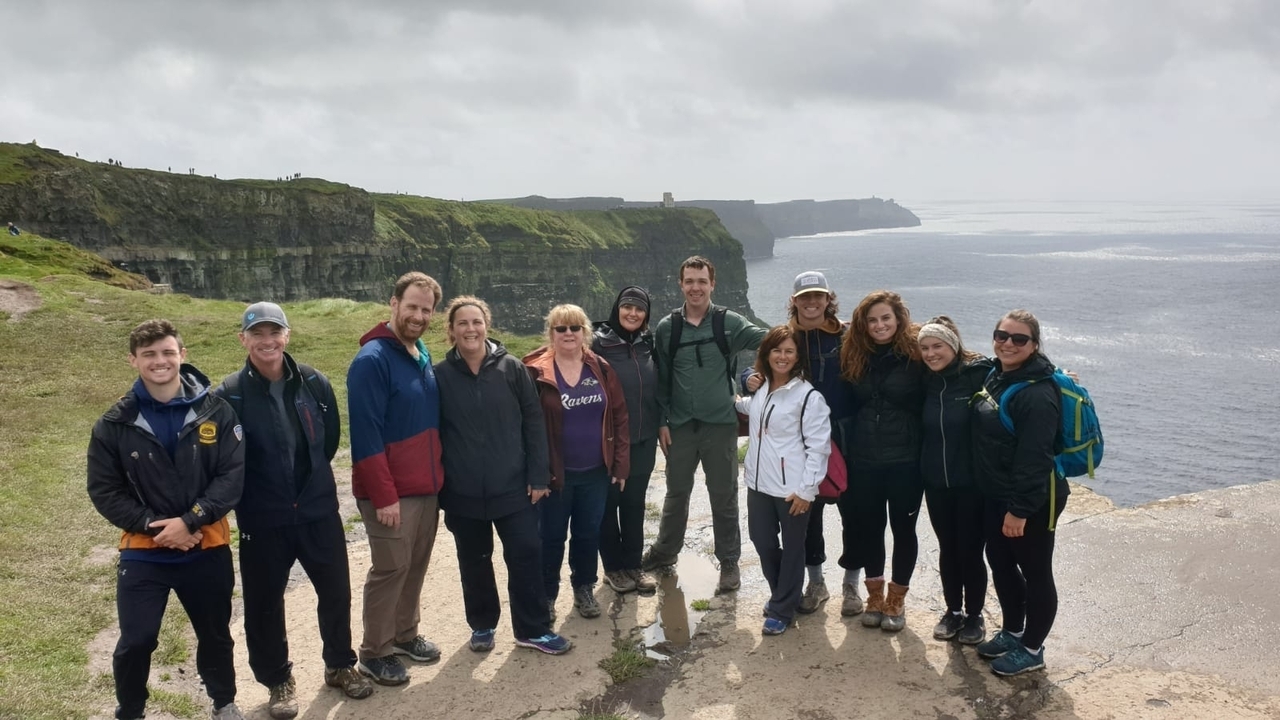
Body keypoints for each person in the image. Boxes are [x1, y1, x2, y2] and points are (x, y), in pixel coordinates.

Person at [214, 303, 372, 718]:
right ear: (243, 339)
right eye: (257, 334)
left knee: (335, 591)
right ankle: (278, 680)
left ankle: (340, 665)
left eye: (274, 333)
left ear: (287, 335)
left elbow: (329, 440)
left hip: (318, 510)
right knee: (265, 604)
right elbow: (223, 460)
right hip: (262, 517)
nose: (267, 341)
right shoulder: (227, 394)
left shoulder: (315, 383)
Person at [87, 319, 245, 720]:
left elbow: (231, 476)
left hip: (206, 544)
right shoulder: (113, 423)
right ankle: (131, 711)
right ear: (133, 360)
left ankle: (223, 702)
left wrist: (191, 521)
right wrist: (158, 527)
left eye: (167, 353)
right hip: (145, 549)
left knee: (215, 634)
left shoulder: (217, 410)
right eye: (149, 355)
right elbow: (104, 491)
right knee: (136, 640)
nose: (160, 361)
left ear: (182, 356)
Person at [435, 296, 572, 655]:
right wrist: (440, 488)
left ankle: (533, 629)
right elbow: (433, 433)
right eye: (462, 323)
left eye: (476, 322)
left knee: (526, 554)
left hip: (513, 487)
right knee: (474, 560)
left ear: (487, 326)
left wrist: (539, 477)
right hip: (463, 491)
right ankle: (482, 624)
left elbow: (533, 423)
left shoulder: (511, 368)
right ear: (451, 331)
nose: (470, 329)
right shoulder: (439, 376)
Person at [644, 255, 767, 593]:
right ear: (681, 284)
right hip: (681, 425)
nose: (695, 287)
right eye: (689, 281)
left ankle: (729, 562)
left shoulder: (728, 323)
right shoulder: (669, 328)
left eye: (702, 281)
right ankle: (664, 552)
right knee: (676, 492)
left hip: (720, 425)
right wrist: (662, 422)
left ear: (712, 284)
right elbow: (663, 381)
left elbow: (771, 342)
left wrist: (754, 376)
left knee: (724, 495)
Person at [346, 272, 446, 686]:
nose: (418, 315)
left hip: (425, 486)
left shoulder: (417, 350)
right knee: (390, 569)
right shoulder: (372, 360)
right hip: (391, 493)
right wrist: (384, 496)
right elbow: (365, 437)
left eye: (426, 309)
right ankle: (374, 652)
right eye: (412, 307)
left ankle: (404, 635)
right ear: (393, 304)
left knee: (415, 566)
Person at [971, 309, 1068, 676]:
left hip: (1033, 500)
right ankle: (1013, 631)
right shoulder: (998, 375)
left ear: (1035, 345)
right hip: (999, 493)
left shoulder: (1038, 394)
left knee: (1037, 571)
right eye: (1001, 335)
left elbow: (1035, 458)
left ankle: (1032, 648)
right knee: (1000, 560)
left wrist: (1020, 510)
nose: (1007, 344)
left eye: (1019, 339)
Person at [523, 304, 630, 620]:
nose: (568, 334)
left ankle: (584, 588)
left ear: (585, 332)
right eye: (561, 328)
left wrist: (620, 464)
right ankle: (547, 595)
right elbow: (524, 425)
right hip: (556, 475)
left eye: (574, 328)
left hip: (595, 474)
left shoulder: (601, 368)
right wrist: (534, 474)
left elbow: (619, 417)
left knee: (587, 534)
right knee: (551, 537)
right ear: (551, 333)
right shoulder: (534, 371)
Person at [736, 325, 831, 635]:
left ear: (798, 357)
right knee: (762, 542)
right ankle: (782, 596)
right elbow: (752, 409)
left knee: (793, 548)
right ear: (766, 354)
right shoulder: (762, 389)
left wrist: (806, 491)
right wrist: (732, 400)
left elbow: (819, 448)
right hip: (758, 484)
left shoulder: (808, 397)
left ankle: (782, 608)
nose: (782, 356)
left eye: (789, 351)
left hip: (792, 489)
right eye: (777, 350)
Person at [840, 290, 925, 632]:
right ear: (862, 324)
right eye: (872, 319)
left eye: (885, 318)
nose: (879, 325)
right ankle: (874, 596)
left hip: (905, 460)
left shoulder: (917, 353)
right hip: (864, 460)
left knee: (904, 530)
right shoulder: (853, 354)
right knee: (870, 529)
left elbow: (956, 361)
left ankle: (896, 600)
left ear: (899, 319)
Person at [917, 316, 992, 646]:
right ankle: (953, 611)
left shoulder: (978, 374)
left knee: (971, 550)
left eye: (938, 346)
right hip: (936, 483)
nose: (931, 354)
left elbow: (1018, 373)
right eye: (925, 348)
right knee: (948, 549)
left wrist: (1060, 377)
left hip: (971, 483)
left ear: (954, 346)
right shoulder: (925, 380)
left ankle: (975, 615)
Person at [591, 286, 660, 596]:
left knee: (634, 505)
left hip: (644, 439)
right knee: (608, 506)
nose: (633, 313)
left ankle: (634, 565)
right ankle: (613, 569)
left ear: (646, 314)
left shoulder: (648, 343)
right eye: (627, 306)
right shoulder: (597, 343)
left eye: (639, 308)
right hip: (608, 442)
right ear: (617, 308)